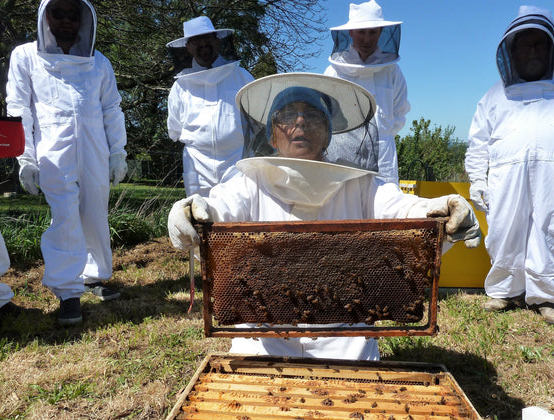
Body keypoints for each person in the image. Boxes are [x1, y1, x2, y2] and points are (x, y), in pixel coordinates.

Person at [168, 73, 481, 360]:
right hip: (261, 338)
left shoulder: (359, 185)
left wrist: (438, 212)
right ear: (272, 136)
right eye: (288, 116)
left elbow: (400, 210)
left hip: (346, 338)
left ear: (329, 134)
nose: (300, 123)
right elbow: (219, 209)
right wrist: (192, 214)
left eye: (314, 116)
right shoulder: (250, 182)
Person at [465, 6, 554, 328]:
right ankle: (504, 291)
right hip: (505, 174)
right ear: (513, 49)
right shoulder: (494, 95)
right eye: (526, 44)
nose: (532, 50)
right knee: (504, 229)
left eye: (539, 43)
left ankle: (547, 297)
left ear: (551, 47)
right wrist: (477, 178)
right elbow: (478, 141)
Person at [6, 0, 128, 325]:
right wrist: (26, 157)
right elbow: (19, 108)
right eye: (57, 13)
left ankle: (95, 277)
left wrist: (118, 151)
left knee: (95, 213)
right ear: (45, 16)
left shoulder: (98, 62)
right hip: (52, 149)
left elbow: (112, 108)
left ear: (82, 20)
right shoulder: (25, 56)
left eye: (72, 15)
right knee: (65, 216)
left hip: (95, 148)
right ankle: (68, 293)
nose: (64, 21)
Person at [166, 16, 255, 198]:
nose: (203, 44)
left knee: (239, 220)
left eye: (207, 38)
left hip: (237, 160)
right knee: (201, 221)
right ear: (188, 47)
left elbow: (258, 119)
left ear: (218, 39)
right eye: (196, 40)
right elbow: (174, 130)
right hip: (197, 165)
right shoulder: (181, 86)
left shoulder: (242, 77)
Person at [324, 0, 410, 183]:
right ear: (351, 32)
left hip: (383, 159)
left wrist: (381, 135)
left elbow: (399, 113)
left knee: (383, 209)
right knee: (345, 209)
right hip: (342, 156)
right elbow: (325, 115)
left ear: (380, 32)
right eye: (361, 32)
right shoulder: (333, 71)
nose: (367, 39)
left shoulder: (392, 71)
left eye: (372, 32)